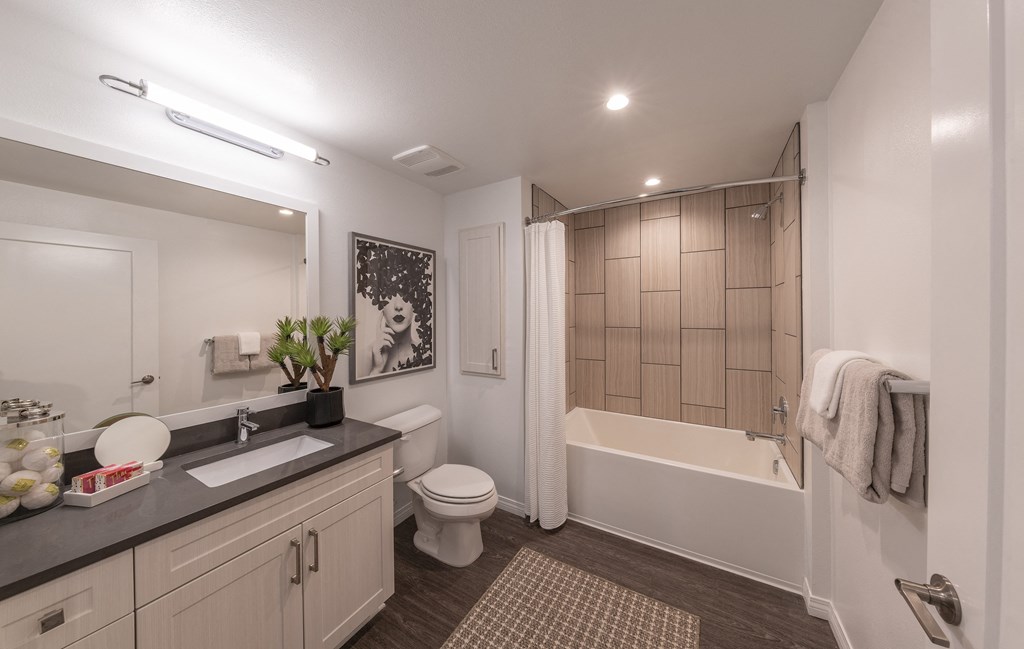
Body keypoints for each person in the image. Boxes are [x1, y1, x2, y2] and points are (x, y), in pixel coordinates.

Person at [366, 293, 417, 375]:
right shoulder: (364, 357)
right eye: (389, 294)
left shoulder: (427, 355)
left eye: (405, 294)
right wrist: (376, 369)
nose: (398, 306)